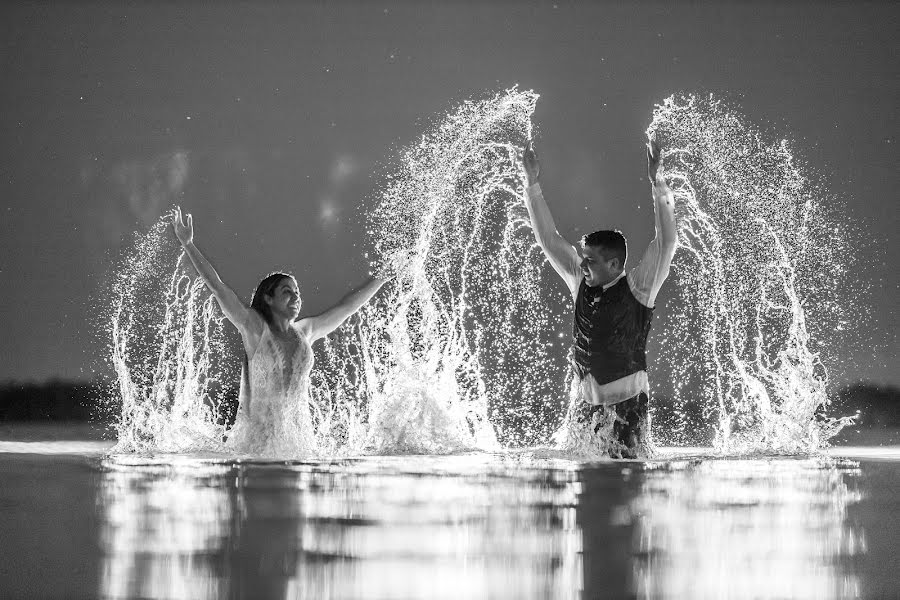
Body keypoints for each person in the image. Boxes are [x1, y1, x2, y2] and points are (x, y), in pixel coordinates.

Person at [171, 206, 389, 457]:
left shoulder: (306, 331)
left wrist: (381, 277)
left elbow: (347, 307)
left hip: (298, 445)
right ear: (269, 298)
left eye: (297, 292)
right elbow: (219, 288)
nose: (295, 296)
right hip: (255, 448)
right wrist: (188, 245)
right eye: (287, 291)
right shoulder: (254, 329)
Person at [520, 138, 677, 458]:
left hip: (628, 410)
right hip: (585, 408)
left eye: (591, 260)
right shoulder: (580, 282)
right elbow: (549, 240)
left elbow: (666, 243)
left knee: (622, 480)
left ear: (615, 264)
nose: (583, 264)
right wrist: (532, 184)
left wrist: (657, 183)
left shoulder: (639, 288)